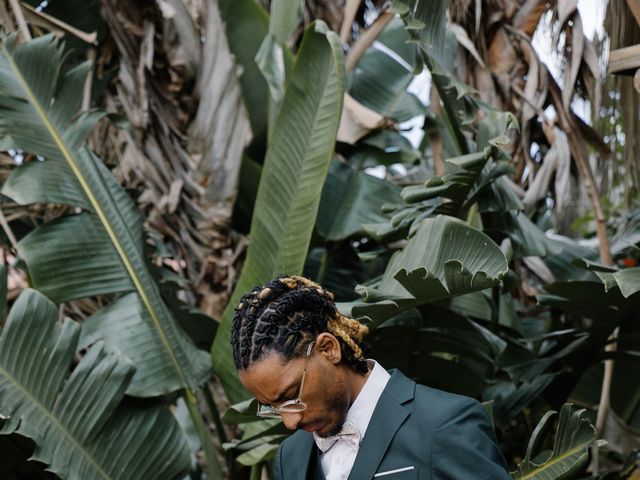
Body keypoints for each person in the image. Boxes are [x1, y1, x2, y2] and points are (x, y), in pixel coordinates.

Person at [231, 274, 511, 480]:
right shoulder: (290, 457)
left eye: (292, 395)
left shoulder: (444, 425)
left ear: (328, 349)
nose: (289, 421)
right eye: (273, 407)